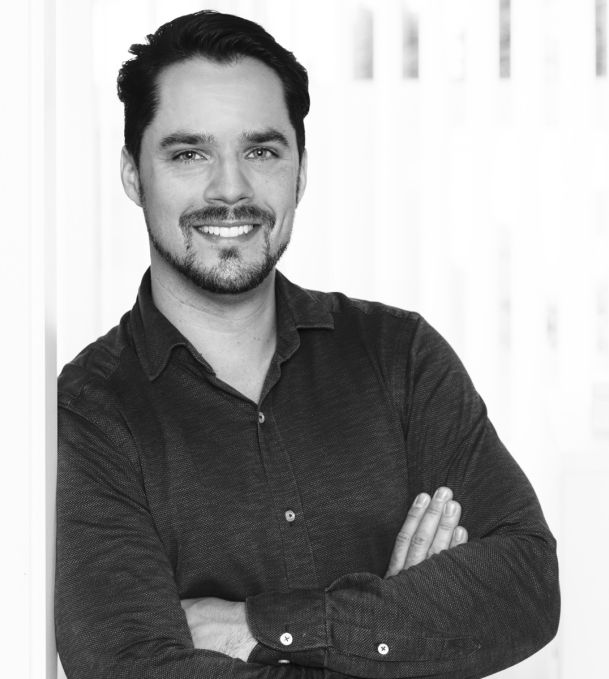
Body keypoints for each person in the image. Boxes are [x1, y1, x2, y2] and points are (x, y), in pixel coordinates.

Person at [55, 10, 559, 679]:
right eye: (188, 153)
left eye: (261, 151)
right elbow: (135, 666)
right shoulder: (88, 411)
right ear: (131, 175)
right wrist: (395, 633)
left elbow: (526, 582)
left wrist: (256, 626)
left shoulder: (399, 356)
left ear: (299, 171)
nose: (229, 189)